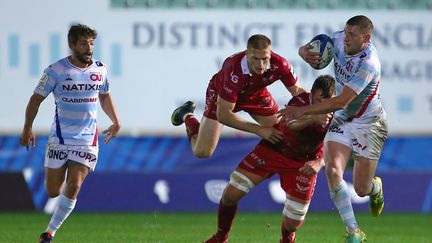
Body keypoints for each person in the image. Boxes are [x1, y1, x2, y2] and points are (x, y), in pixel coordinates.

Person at [278, 15, 387, 243]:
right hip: (343, 119)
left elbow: (341, 100)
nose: (345, 37)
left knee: (361, 189)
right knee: (333, 171)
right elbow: (307, 50)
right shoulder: (336, 40)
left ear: (366, 38)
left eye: (352, 34)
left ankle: (374, 188)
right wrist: (303, 53)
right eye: (346, 31)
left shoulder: (369, 64)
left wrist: (303, 111)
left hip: (369, 123)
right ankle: (354, 232)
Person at [20, 24, 121, 243]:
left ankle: (49, 233)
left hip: (86, 139)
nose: (89, 48)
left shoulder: (100, 70)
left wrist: (115, 121)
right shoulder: (55, 71)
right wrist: (27, 127)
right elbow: (35, 100)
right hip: (60, 138)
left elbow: (104, 95)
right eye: (84, 43)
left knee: (75, 184)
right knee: (53, 191)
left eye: (92, 43)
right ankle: (60, 193)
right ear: (72, 45)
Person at [204, 75, 336, 243]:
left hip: (304, 162)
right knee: (230, 194)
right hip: (274, 148)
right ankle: (220, 237)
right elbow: (291, 123)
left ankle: (287, 237)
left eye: (326, 102)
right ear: (312, 94)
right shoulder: (300, 101)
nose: (322, 106)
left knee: (293, 223)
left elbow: (338, 145)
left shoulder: (338, 113)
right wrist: (312, 117)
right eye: (318, 100)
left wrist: (319, 163)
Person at [171, 34, 305, 158]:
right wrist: (259, 130)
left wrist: (317, 109)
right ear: (247, 54)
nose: (260, 65)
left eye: (264, 59)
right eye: (255, 59)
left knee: (283, 133)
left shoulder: (281, 64)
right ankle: (187, 114)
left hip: (255, 95)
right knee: (202, 152)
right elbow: (224, 115)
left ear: (270, 54)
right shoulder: (234, 69)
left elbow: (298, 91)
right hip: (221, 97)